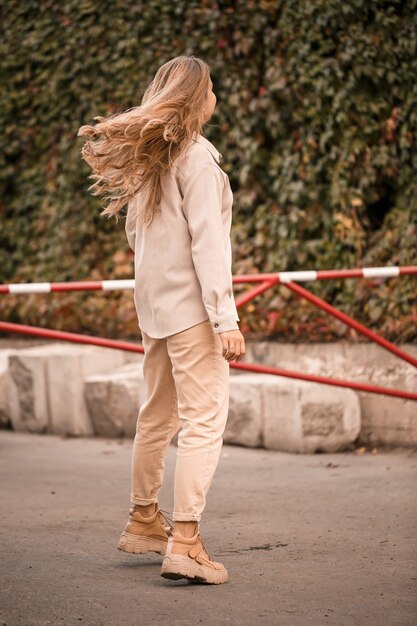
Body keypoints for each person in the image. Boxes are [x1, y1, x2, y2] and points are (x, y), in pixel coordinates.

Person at [77, 55, 245, 585]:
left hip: (154, 307)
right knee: (204, 420)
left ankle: (145, 518)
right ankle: (186, 543)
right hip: (192, 310)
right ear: (198, 98)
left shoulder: (152, 160)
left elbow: (135, 236)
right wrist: (226, 318)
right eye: (211, 87)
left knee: (157, 417)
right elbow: (209, 245)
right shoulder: (196, 159)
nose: (216, 94)